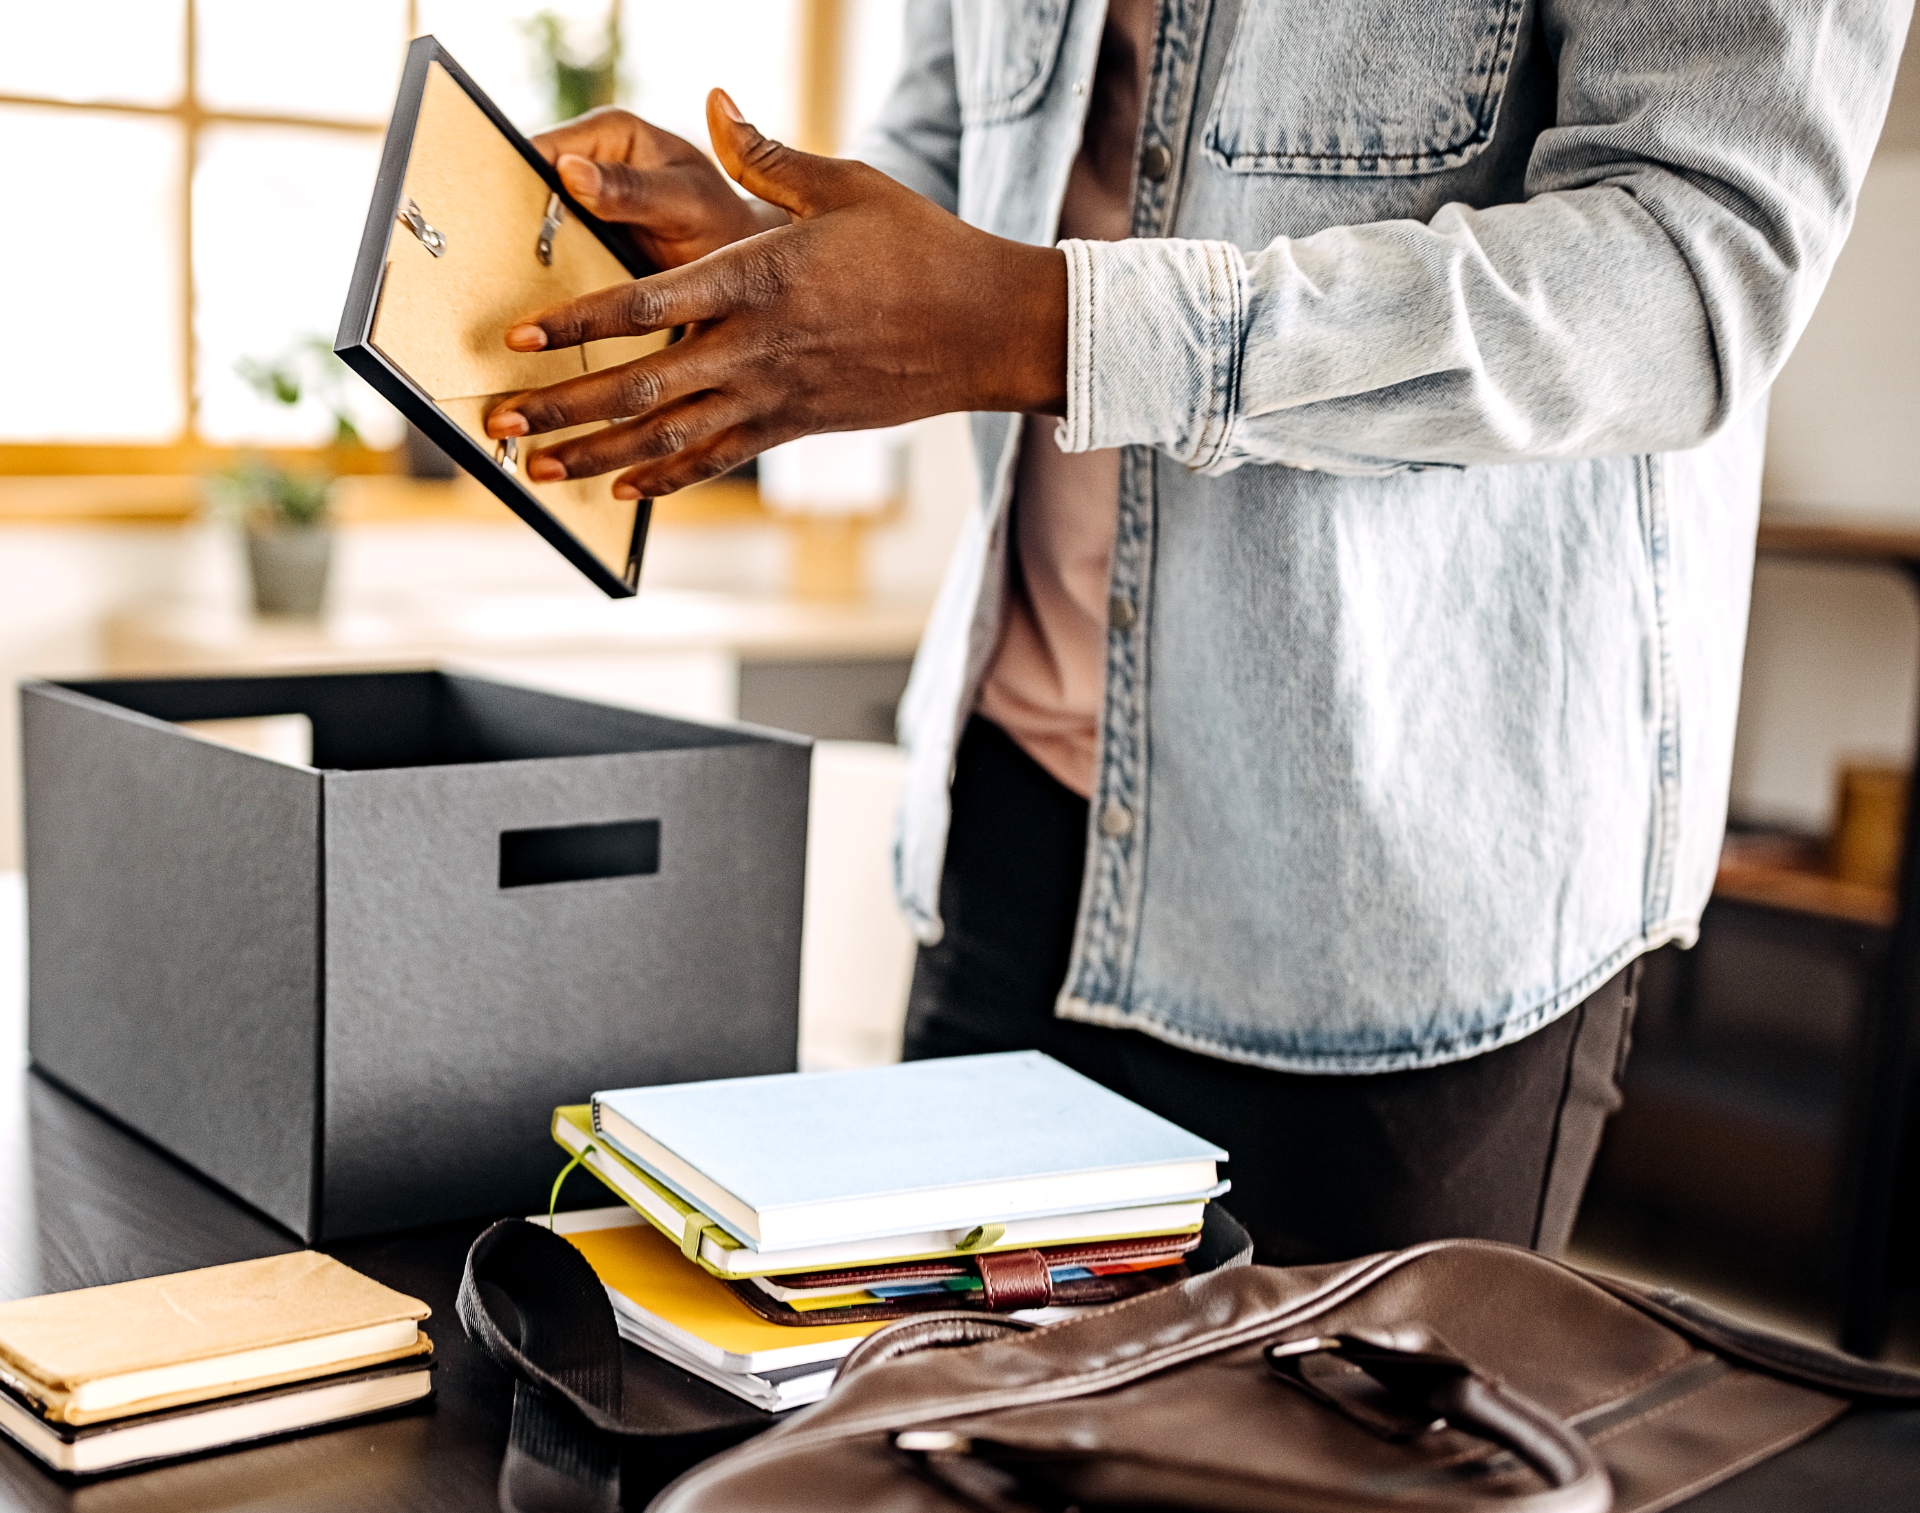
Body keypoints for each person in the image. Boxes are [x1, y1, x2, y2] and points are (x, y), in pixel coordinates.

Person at [487, 0, 1912, 1264]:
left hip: (1394, 897)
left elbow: (1690, 276)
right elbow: (956, 140)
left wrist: (1048, 326)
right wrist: (771, 269)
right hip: (1013, 819)